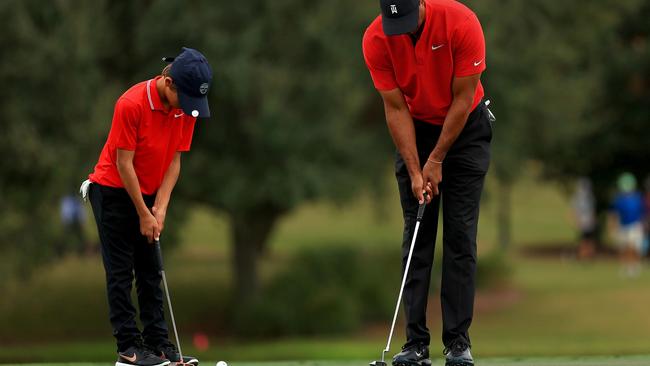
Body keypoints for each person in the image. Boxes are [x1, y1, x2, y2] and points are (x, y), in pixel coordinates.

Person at [362, 1, 492, 365]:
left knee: (460, 236)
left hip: (464, 127)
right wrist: (417, 170)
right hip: (414, 129)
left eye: (405, 20)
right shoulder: (375, 38)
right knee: (417, 234)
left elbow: (464, 99)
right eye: (393, 23)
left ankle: (457, 343)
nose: (400, 30)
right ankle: (415, 343)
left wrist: (437, 160)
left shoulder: (461, 22)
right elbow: (395, 107)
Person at [80, 47, 212, 366]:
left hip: (150, 192)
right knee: (121, 272)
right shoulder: (131, 104)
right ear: (170, 84)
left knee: (151, 271)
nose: (190, 108)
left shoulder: (185, 109)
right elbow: (123, 163)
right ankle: (129, 349)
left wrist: (160, 208)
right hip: (112, 190)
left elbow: (175, 160)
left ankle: (159, 344)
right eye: (188, 98)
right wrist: (142, 211)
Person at [609, 172, 645, 278]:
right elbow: (614, 214)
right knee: (625, 248)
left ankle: (634, 267)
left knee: (634, 247)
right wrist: (612, 226)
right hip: (623, 225)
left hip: (635, 225)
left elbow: (642, 212)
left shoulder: (638, 198)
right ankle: (626, 266)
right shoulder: (618, 199)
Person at [571, 178, 596, 259]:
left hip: (588, 221)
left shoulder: (590, 198)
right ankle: (583, 255)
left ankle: (589, 255)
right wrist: (577, 220)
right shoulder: (577, 198)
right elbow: (574, 210)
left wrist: (592, 219)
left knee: (589, 239)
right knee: (583, 239)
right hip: (582, 221)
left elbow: (592, 210)